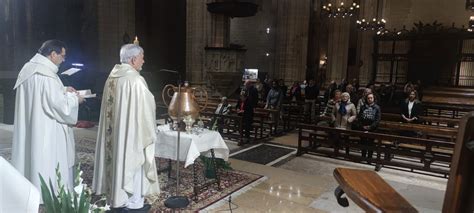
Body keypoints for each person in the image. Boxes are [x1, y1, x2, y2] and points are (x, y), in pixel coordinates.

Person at [92, 44, 160, 211]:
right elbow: (146, 107)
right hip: (130, 134)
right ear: (133, 59)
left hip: (114, 133)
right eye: (142, 57)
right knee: (131, 161)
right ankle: (133, 201)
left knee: (116, 159)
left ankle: (115, 196)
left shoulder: (112, 78)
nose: (144, 61)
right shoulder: (135, 80)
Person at [12, 40, 84, 193]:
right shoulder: (47, 75)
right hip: (47, 130)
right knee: (47, 162)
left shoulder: (28, 69)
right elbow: (60, 107)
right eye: (62, 56)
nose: (63, 60)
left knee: (30, 157)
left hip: (32, 126)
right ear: (52, 55)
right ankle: (49, 195)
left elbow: (41, 94)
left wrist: (64, 89)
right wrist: (75, 99)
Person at [355, 93, 381, 161]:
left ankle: (369, 158)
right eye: (368, 98)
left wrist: (370, 127)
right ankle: (363, 157)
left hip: (373, 129)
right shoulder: (363, 107)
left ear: (373, 99)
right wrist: (362, 126)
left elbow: (377, 120)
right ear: (366, 99)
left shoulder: (377, 107)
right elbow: (359, 118)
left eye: (371, 98)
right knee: (363, 142)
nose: (370, 99)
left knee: (370, 144)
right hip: (363, 127)